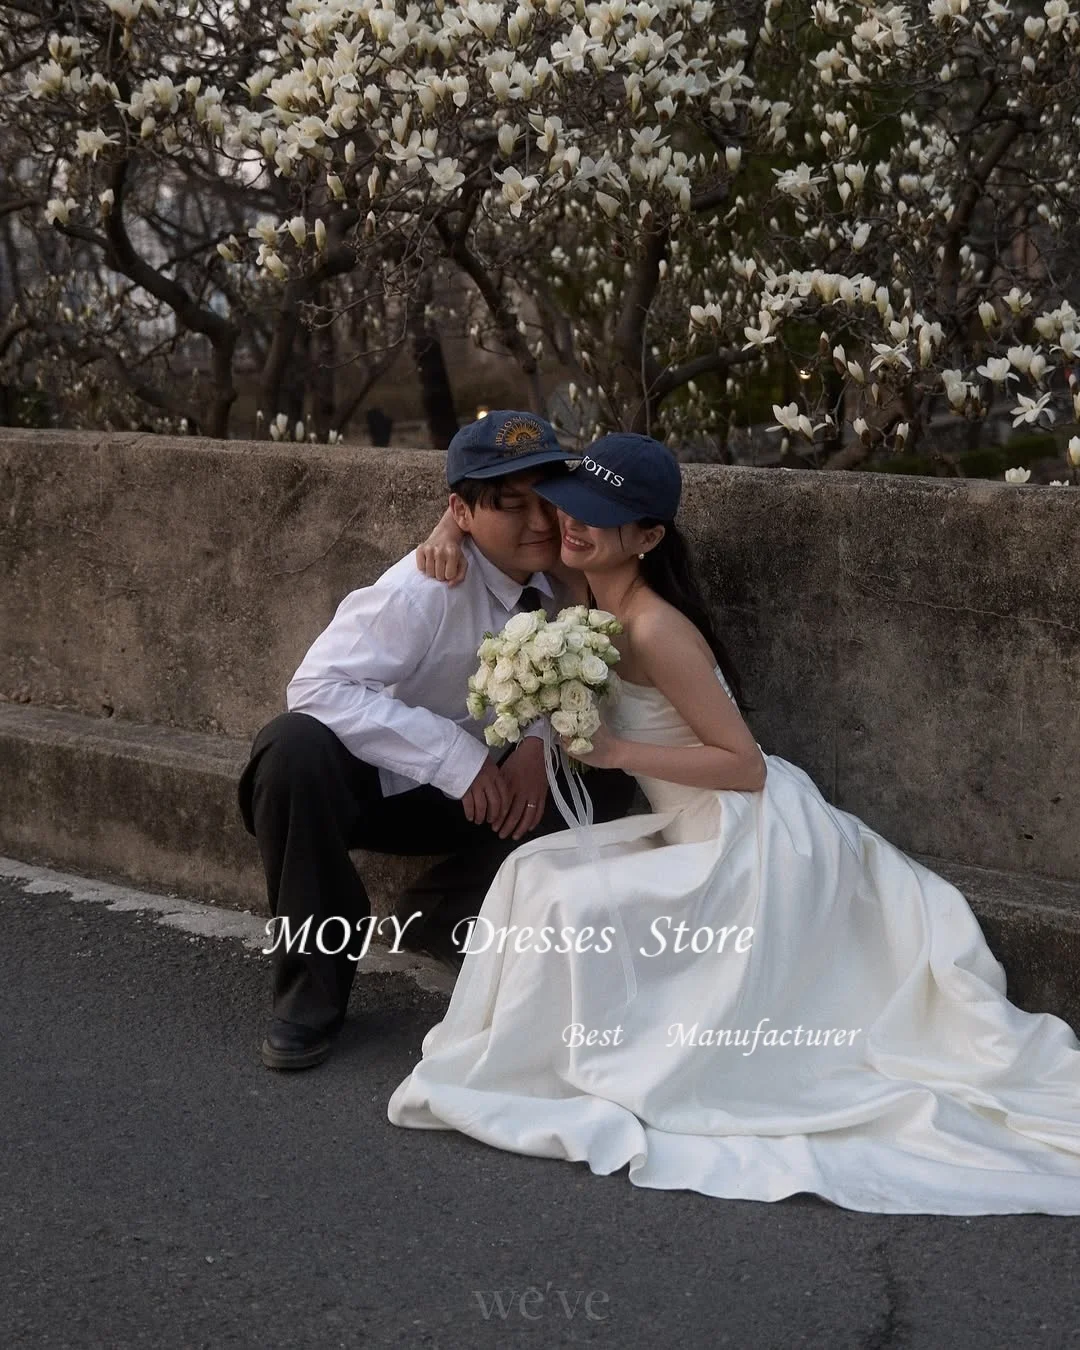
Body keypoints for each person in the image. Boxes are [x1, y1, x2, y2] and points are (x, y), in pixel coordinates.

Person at [388, 430, 1080, 1216]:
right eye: (570, 507)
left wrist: (615, 750)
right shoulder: (578, 582)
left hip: (744, 836)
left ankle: (605, 1069)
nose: (570, 525)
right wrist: (447, 527)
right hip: (678, 825)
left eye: (599, 515)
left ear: (649, 537)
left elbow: (743, 764)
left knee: (570, 900)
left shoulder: (654, 627)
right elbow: (494, 529)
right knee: (532, 873)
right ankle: (531, 1060)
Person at [237, 412, 637, 1071]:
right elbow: (314, 685)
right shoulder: (425, 588)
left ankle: (446, 911)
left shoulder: (567, 571)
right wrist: (459, 758)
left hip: (492, 797)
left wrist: (539, 746)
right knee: (291, 750)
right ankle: (310, 987)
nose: (539, 521)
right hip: (385, 790)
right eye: (511, 506)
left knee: (610, 771)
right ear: (463, 511)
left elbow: (572, 668)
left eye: (548, 500)